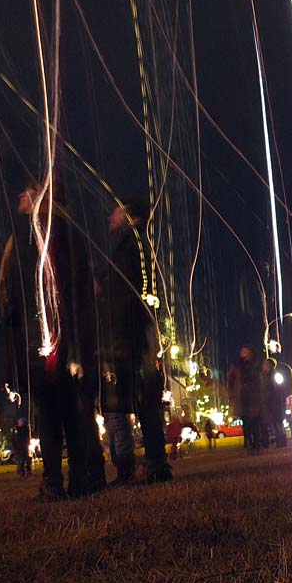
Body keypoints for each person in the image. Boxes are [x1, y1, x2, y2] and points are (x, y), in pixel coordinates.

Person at [0, 180, 106, 501]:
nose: (20, 194)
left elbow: (11, 299)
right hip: (67, 342)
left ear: (40, 199)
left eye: (27, 191)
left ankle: (55, 480)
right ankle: (80, 477)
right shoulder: (71, 236)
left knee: (49, 414)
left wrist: (19, 343)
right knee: (70, 412)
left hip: (42, 345)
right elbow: (84, 292)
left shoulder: (25, 240)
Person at [99, 198, 172, 483]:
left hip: (133, 335)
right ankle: (151, 463)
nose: (110, 215)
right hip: (132, 334)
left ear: (129, 214)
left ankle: (155, 464)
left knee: (143, 400)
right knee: (138, 401)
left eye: (116, 209)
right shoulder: (133, 244)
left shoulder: (134, 244)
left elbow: (132, 292)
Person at [227, 344, 265, 455]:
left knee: (255, 422)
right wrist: (231, 395)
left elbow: (261, 378)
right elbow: (230, 380)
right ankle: (250, 444)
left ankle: (257, 444)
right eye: (243, 350)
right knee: (246, 423)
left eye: (246, 351)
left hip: (254, 396)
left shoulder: (256, 364)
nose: (244, 352)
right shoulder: (236, 366)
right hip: (242, 397)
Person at [261, 358, 288, 448]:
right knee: (278, 424)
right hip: (276, 403)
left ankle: (281, 443)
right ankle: (281, 442)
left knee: (277, 424)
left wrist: (267, 400)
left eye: (265, 364)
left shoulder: (271, 375)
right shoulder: (274, 375)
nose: (263, 366)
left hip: (274, 403)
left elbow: (273, 390)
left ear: (269, 365)